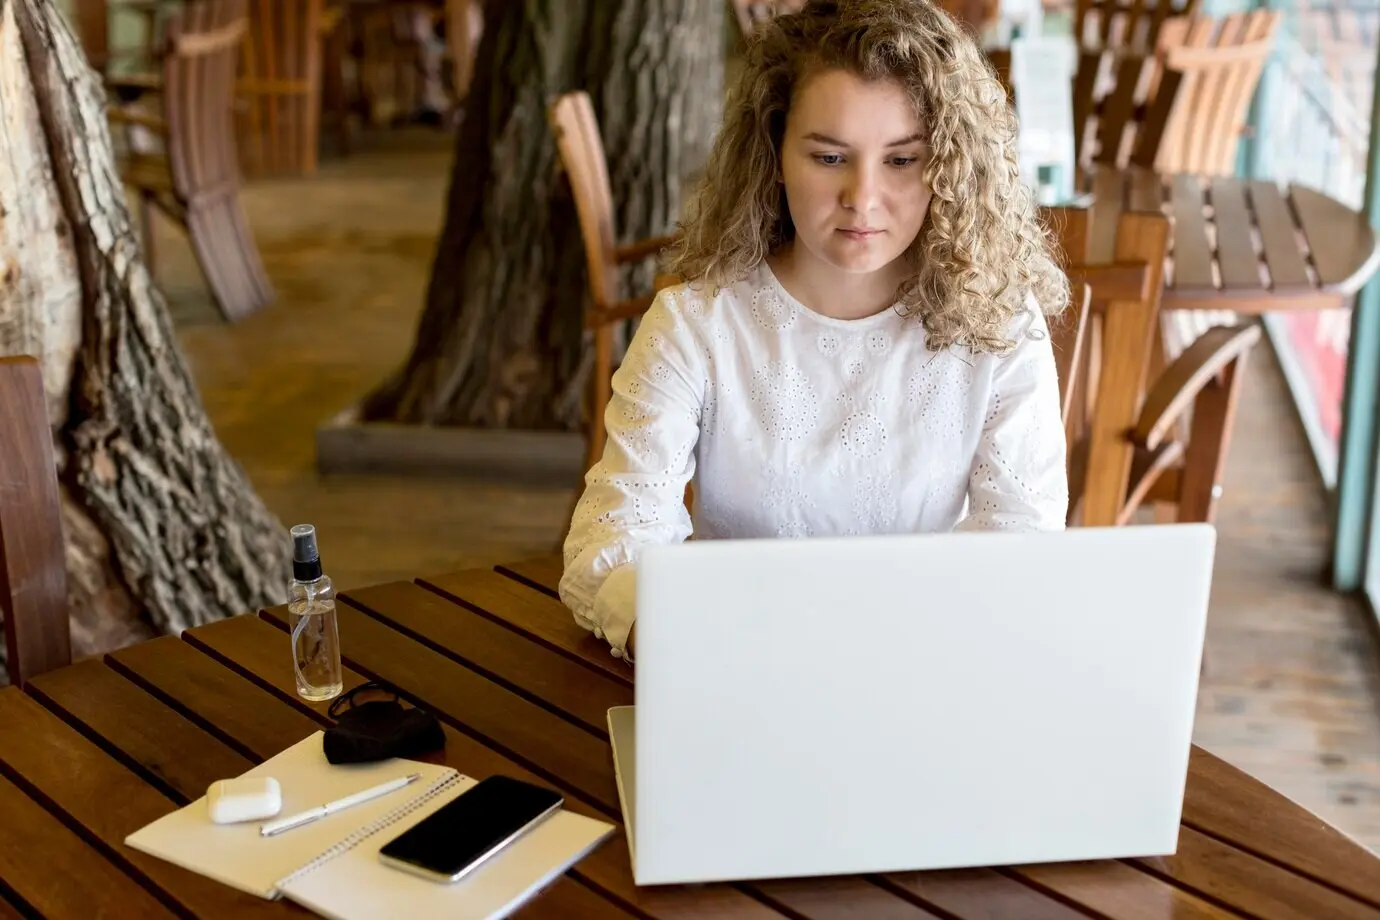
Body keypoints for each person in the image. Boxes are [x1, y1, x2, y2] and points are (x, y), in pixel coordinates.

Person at [559, 0, 1070, 662]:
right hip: (734, 666)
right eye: (830, 158)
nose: (863, 197)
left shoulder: (1000, 322)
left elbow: (1020, 540)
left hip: (924, 667)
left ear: (947, 165)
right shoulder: (698, 323)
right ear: (774, 154)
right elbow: (611, 539)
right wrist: (677, 636)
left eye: (902, 160)